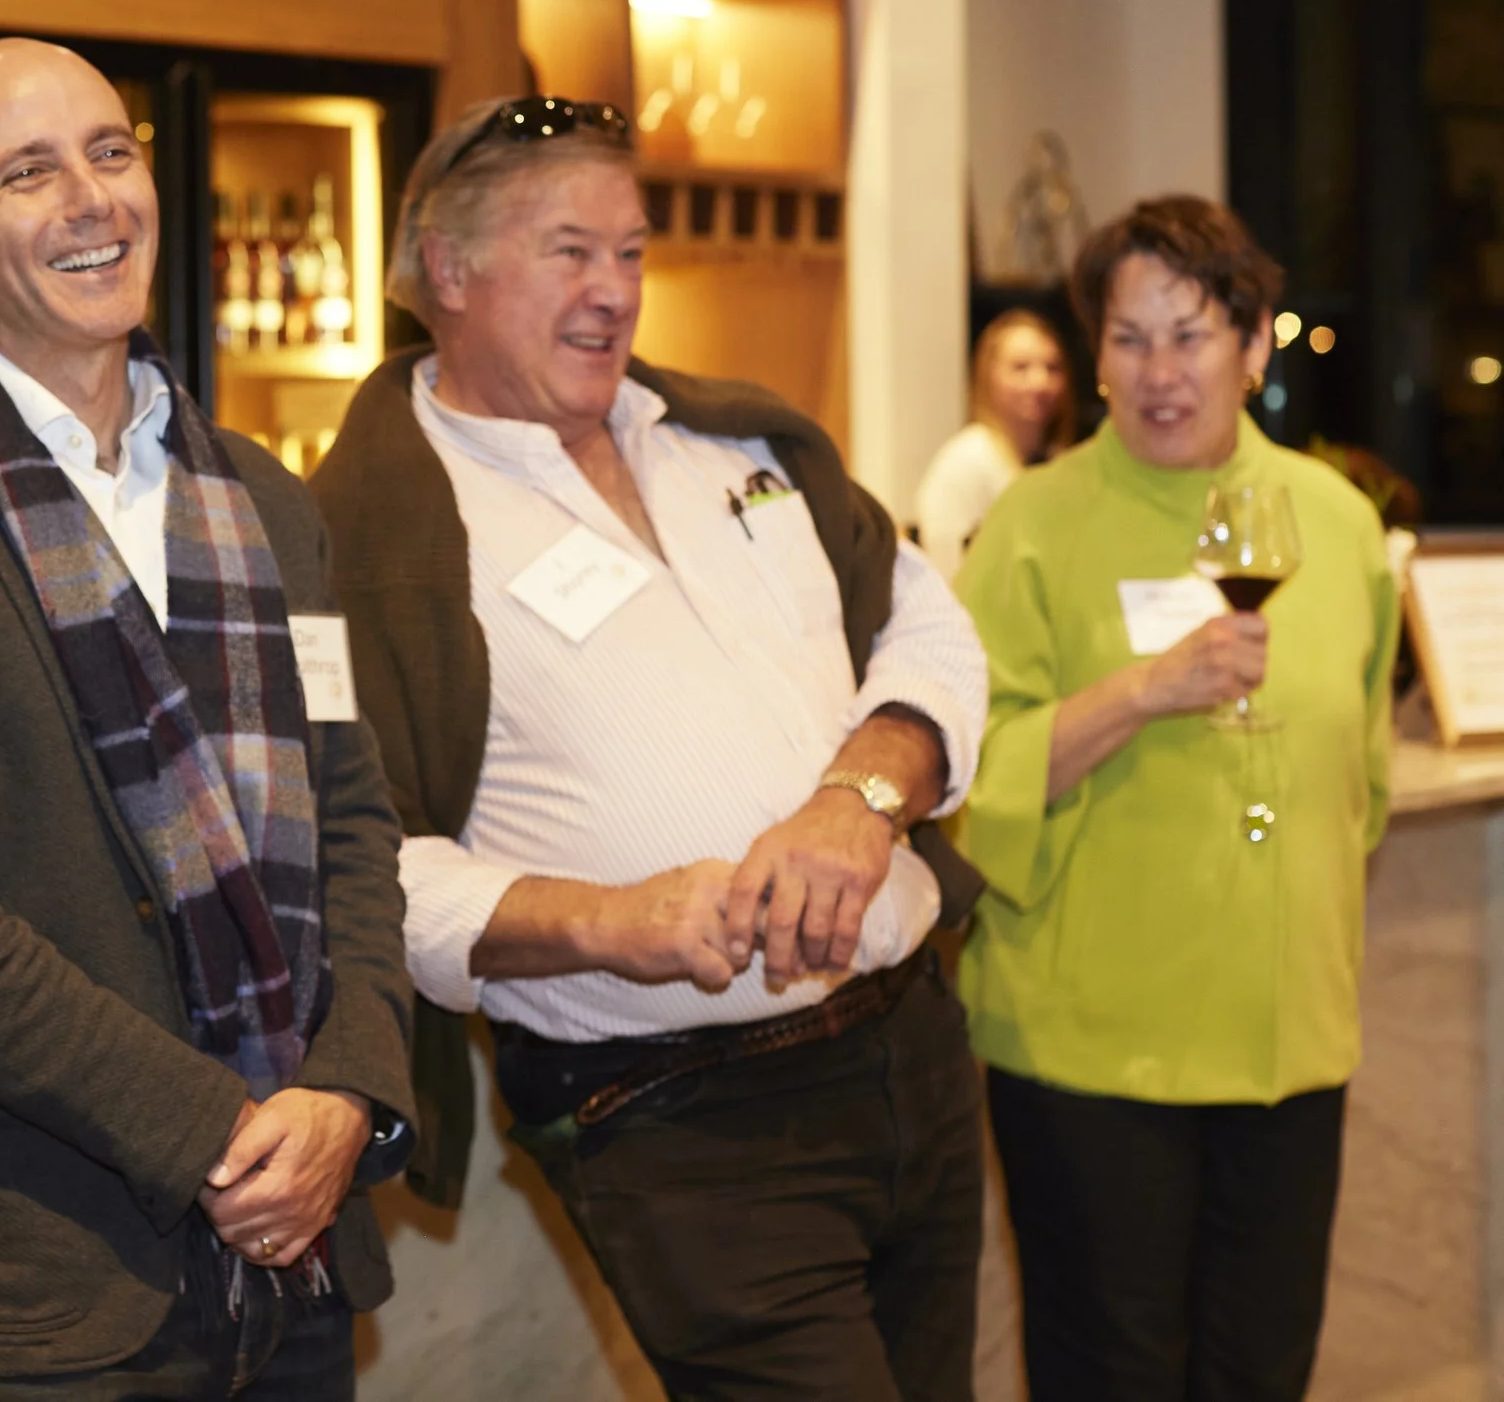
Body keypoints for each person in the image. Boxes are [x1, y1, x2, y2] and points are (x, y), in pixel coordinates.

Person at [0, 39, 414, 1400]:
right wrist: (217, 1128)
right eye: (27, 172)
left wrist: (346, 1088)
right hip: (48, 1307)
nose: (91, 200)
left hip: (297, 1272)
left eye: (111, 153)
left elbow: (355, 818)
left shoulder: (270, 508)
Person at [311, 96, 991, 1402]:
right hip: (683, 1118)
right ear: (448, 270)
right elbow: (357, 869)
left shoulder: (736, 437)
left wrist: (863, 797)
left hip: (914, 1052)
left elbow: (930, 631)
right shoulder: (359, 537)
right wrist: (609, 919)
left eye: (630, 250)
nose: (613, 291)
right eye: (570, 250)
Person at [955, 195, 1399, 1402]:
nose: (1157, 371)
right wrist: (1142, 692)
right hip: (1093, 1046)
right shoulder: (1032, 527)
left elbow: (1358, 772)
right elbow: (968, 778)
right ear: (1093, 352)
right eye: (1127, 336)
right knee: (1112, 1371)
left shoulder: (1338, 521)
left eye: (1191, 335)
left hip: (1286, 1037)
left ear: (1255, 345)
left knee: (1262, 1368)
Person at [913, 308, 1075, 578]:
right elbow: (948, 570)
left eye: (1052, 368)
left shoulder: (1060, 462)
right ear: (988, 375)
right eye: (1020, 368)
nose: (1040, 382)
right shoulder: (966, 462)